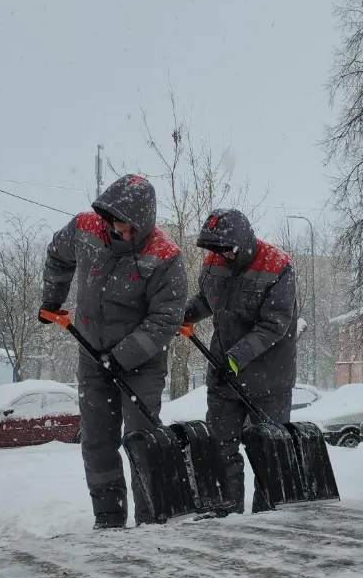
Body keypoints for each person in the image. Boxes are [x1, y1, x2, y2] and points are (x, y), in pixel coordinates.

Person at [40, 173, 187, 529]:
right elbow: (58, 257)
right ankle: (108, 518)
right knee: (97, 441)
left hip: (141, 364)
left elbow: (166, 318)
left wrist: (121, 357)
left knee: (140, 439)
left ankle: (151, 518)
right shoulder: (86, 228)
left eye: (126, 226)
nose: (118, 230)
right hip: (92, 354)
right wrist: (52, 300)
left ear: (142, 223)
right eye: (114, 222)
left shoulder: (164, 255)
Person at [182, 208, 299, 514]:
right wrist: (181, 315)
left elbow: (274, 324)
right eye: (216, 250)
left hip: (268, 380)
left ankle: (269, 517)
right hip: (223, 378)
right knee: (220, 449)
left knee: (269, 452)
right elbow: (207, 300)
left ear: (243, 242)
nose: (222, 256)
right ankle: (224, 514)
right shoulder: (213, 262)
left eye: (227, 250)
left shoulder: (277, 266)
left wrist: (235, 358)